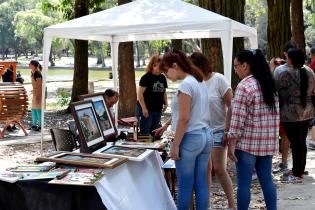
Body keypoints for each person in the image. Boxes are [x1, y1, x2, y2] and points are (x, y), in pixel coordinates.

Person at [159, 49, 212, 210]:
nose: (166, 75)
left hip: (190, 138)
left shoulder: (186, 85)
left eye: (166, 70)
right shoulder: (199, 81)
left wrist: (175, 145)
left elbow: (184, 118)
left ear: (175, 65)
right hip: (205, 136)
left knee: (184, 186)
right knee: (200, 183)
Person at [227, 49, 279, 210]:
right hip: (267, 142)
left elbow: (237, 120)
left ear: (245, 65)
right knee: (266, 180)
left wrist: (231, 143)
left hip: (248, 143)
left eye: (236, 66)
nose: (235, 70)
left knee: (244, 183)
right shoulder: (268, 83)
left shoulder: (245, 85)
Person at [189, 52, 235, 210]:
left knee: (219, 168)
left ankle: (232, 204)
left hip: (219, 130)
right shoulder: (196, 82)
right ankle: (205, 204)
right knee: (205, 169)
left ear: (201, 65)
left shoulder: (219, 79)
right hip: (201, 131)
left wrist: (227, 130)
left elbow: (231, 106)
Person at [275, 48, 315, 182]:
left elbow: (280, 93)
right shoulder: (309, 71)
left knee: (296, 143)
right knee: (301, 142)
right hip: (307, 111)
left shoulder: (284, 72)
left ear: (291, 59)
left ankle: (297, 173)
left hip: (290, 114)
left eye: (287, 58)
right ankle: (300, 169)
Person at [136, 54, 168, 137]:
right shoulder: (146, 77)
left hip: (158, 109)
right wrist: (144, 108)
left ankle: (154, 148)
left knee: (154, 131)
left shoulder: (162, 77)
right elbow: (139, 94)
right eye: (160, 67)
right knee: (145, 132)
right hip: (147, 109)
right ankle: (145, 148)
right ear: (154, 65)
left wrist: (166, 102)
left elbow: (163, 91)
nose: (162, 70)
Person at [29, 60, 42, 131]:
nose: (28, 65)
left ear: (34, 65)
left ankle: (40, 126)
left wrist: (38, 96)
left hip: (38, 94)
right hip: (35, 92)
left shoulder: (37, 73)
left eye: (30, 64)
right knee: (33, 109)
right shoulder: (33, 73)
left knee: (38, 110)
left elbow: (40, 86)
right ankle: (34, 125)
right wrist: (33, 90)